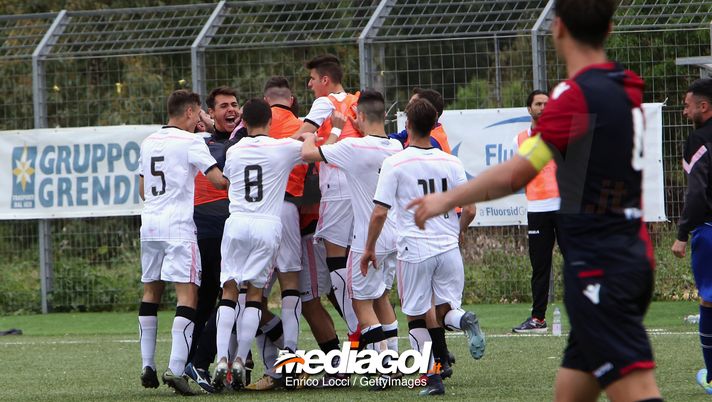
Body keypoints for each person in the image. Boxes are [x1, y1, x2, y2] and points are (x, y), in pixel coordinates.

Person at [409, 1, 662, 400]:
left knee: (635, 388)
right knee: (571, 388)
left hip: (602, 260)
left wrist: (447, 199)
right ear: (611, 29)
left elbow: (516, 172)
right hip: (624, 251)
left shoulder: (576, 95)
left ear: (557, 28)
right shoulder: (622, 82)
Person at [364, 98, 482, 396]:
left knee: (416, 315)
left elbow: (379, 213)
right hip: (447, 248)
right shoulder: (451, 161)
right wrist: (455, 233)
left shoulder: (395, 162)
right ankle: (463, 319)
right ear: (434, 126)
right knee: (444, 311)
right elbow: (469, 210)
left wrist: (369, 249)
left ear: (407, 126)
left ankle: (432, 378)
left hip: (415, 250)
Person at [302, 89, 402, 388]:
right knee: (381, 297)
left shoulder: (354, 147)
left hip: (368, 237)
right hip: (395, 235)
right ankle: (393, 363)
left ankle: (382, 368)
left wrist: (325, 129)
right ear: (384, 116)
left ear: (358, 117)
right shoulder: (397, 148)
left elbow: (309, 153)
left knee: (361, 303)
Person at [137, 89, 227, 395]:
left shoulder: (149, 141)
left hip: (150, 225)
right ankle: (176, 369)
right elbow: (218, 181)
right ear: (190, 112)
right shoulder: (191, 142)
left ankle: (147, 364)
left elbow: (142, 190)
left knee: (151, 292)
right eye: (199, 112)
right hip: (179, 228)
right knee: (187, 296)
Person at [213, 99, 305, 390]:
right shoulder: (283, 148)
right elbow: (314, 150)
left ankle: (221, 359)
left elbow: (227, 180)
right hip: (267, 225)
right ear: (270, 122)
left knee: (229, 290)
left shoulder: (234, 150)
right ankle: (240, 359)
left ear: (244, 122)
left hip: (237, 222)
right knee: (254, 294)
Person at [292, 54, 361, 340]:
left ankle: (358, 328)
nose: (309, 84)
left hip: (337, 187)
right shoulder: (356, 101)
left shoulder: (325, 103)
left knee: (336, 260)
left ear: (325, 80)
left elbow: (300, 138)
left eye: (311, 79)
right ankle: (373, 328)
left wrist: (306, 136)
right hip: (362, 187)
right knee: (359, 260)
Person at [184, 87, 246, 393]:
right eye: (224, 106)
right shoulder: (202, 142)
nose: (231, 109)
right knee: (222, 299)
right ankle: (198, 362)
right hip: (208, 230)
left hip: (232, 230)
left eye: (235, 105)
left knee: (219, 299)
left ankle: (195, 363)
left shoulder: (243, 141)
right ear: (211, 113)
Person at [671, 78, 712, 394]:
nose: (685, 112)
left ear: (704, 106)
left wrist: (682, 233)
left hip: (709, 231)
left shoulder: (698, 140)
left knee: (709, 300)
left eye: (686, 106)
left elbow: (696, 194)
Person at [511, 89, 561, 334]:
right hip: (537, 209)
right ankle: (538, 319)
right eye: (538, 104)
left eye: (546, 104)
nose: (543, 107)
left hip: (565, 208)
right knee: (540, 266)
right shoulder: (519, 139)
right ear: (529, 109)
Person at [389, 87, 451, 153]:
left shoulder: (431, 142)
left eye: (415, 104)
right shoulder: (417, 129)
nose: (408, 108)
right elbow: (395, 138)